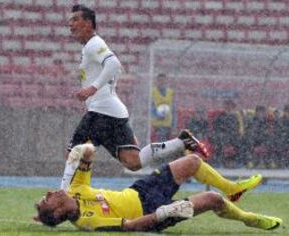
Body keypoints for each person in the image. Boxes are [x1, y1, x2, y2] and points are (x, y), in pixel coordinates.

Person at [61, 4, 209, 190]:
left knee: (73, 155)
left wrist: (92, 88)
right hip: (113, 112)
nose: (70, 25)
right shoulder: (89, 47)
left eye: (75, 20)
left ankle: (61, 198)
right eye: (69, 21)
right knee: (134, 162)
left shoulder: (94, 43)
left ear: (88, 23)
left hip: (101, 111)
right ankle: (181, 142)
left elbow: (114, 64)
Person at [34, 143, 282, 232]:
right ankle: (250, 220)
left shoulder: (76, 188)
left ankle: (233, 189)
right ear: (57, 214)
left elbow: (89, 153)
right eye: (47, 200)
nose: (49, 193)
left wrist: (81, 151)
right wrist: (164, 214)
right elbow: (130, 226)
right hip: (152, 213)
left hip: (140, 190)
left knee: (193, 161)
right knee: (211, 200)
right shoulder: (88, 222)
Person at [151, 73, 176, 142]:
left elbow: (174, 110)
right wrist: (156, 116)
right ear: (157, 81)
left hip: (167, 124)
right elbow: (151, 108)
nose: (161, 82)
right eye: (160, 80)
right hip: (156, 125)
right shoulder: (152, 92)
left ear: (166, 81)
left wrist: (174, 125)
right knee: (160, 143)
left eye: (163, 80)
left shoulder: (171, 93)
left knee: (164, 143)